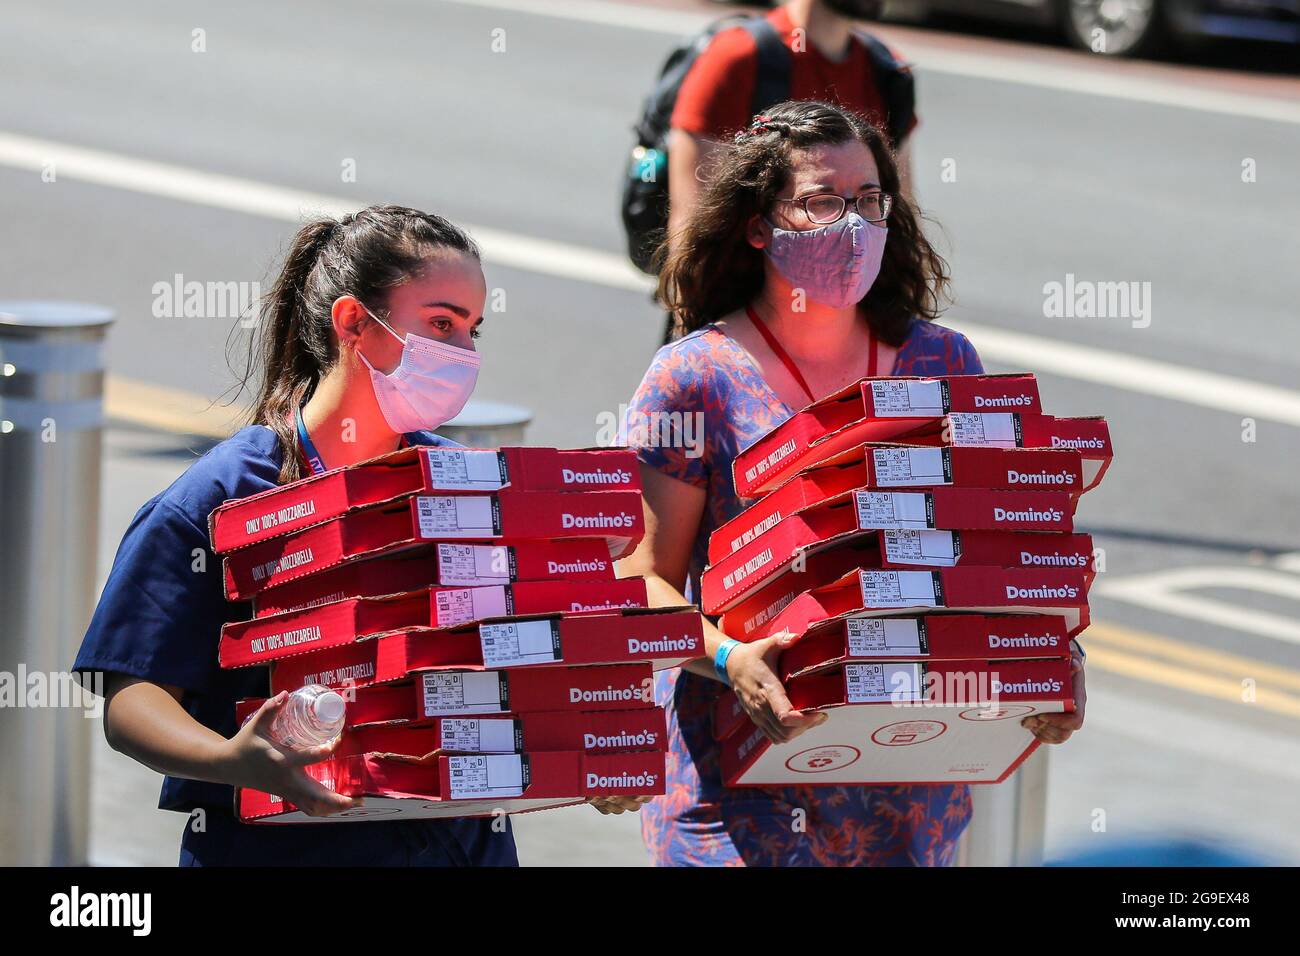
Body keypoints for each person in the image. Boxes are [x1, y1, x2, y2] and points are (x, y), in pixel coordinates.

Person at [72, 205, 638, 866]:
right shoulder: (221, 499)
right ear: (353, 323)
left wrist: (588, 751)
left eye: (473, 331)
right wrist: (236, 760)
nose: (464, 355)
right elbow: (132, 700)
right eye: (441, 324)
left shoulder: (473, 488)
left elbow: (525, 665)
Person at [617, 101, 1088, 867]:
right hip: (738, 791)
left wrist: (1047, 656)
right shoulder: (693, 377)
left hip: (908, 783)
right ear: (758, 225)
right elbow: (642, 582)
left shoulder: (945, 362)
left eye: (869, 199)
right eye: (821, 201)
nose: (853, 222)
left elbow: (989, 552)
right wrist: (733, 660)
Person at [667, 0, 916, 268]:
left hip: (847, 300)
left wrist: (912, 298)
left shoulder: (887, 72)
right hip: (750, 298)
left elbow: (902, 215)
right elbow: (692, 230)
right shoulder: (737, 56)